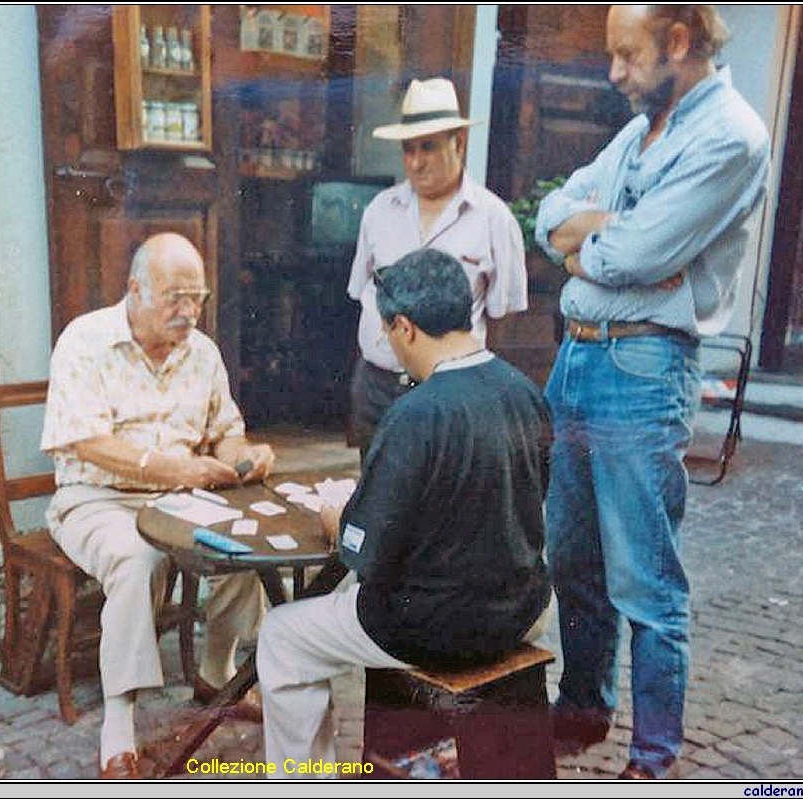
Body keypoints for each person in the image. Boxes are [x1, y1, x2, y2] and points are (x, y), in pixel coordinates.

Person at [534, 5, 770, 779]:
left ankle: (654, 751)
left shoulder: (731, 135)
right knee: (571, 556)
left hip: (644, 369)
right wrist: (605, 236)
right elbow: (550, 216)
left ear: (678, 43)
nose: (613, 73)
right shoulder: (640, 132)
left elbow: (637, 253)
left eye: (626, 55)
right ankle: (583, 708)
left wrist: (599, 241)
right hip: (578, 358)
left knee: (644, 573)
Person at [256, 248, 553, 776]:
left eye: (388, 332)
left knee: (283, 634)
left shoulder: (415, 413)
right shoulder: (525, 392)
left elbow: (363, 555)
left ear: (405, 327)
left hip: (436, 629)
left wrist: (335, 518)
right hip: (524, 611)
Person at [40, 232, 275, 779]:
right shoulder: (86, 340)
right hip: (97, 497)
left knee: (246, 540)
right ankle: (119, 721)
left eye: (198, 298)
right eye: (175, 297)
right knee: (137, 558)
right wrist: (171, 469)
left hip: (181, 498)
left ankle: (217, 672)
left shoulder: (203, 352)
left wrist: (245, 458)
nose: (189, 312)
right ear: (135, 290)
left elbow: (225, 432)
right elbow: (86, 443)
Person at [346, 77, 527, 460]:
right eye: (408, 149)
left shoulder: (494, 219)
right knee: (376, 496)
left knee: (439, 503)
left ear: (458, 143)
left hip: (449, 393)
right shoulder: (379, 212)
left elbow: (503, 318)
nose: (415, 161)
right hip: (377, 385)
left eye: (428, 147)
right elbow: (362, 293)